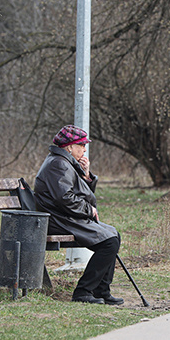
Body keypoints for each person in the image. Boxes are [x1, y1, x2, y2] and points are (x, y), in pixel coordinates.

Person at [34, 125, 123, 305]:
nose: (84, 149)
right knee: (109, 242)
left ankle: (101, 291)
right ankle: (83, 292)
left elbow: (80, 193)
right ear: (69, 147)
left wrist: (86, 174)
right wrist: (89, 210)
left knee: (113, 235)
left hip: (64, 217)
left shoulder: (64, 162)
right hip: (58, 219)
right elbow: (64, 198)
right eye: (81, 145)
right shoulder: (58, 164)